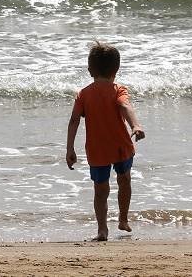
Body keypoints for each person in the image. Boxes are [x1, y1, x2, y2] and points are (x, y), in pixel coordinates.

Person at [65, 41, 146, 241]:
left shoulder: (83, 94)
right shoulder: (118, 89)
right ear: (116, 69)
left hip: (97, 149)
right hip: (120, 146)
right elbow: (126, 107)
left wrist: (70, 149)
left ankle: (102, 229)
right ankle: (123, 219)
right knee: (124, 180)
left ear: (90, 69)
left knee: (100, 190)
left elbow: (74, 120)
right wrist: (135, 125)